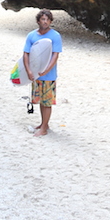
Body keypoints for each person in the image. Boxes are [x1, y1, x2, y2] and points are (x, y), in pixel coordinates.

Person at [23, 8, 62, 137]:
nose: (45, 22)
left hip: (48, 76)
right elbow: (26, 54)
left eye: (47, 20)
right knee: (40, 101)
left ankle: (44, 129)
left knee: (47, 102)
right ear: (38, 20)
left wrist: (47, 70)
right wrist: (28, 71)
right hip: (35, 74)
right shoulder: (31, 35)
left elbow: (55, 56)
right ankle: (44, 123)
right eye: (43, 19)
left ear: (50, 21)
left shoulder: (55, 36)